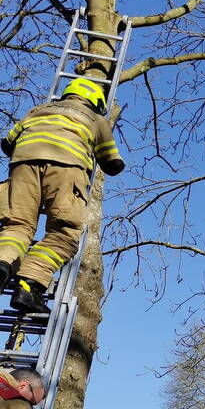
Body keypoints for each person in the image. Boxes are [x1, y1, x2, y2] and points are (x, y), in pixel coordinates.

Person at [0, 77, 125, 314]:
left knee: (16, 226)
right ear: (96, 101)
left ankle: (3, 263)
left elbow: (7, 144)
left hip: (22, 166)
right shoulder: (96, 119)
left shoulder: (37, 110)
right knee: (63, 233)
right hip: (67, 170)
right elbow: (111, 163)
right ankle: (28, 286)